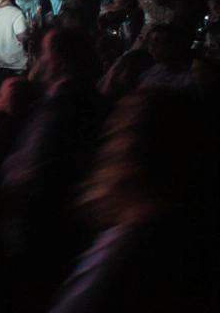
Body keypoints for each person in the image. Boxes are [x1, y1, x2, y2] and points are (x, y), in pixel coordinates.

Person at [50, 88, 219, 313]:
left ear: (132, 153)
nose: (105, 146)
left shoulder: (123, 257)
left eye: (116, 134)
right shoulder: (194, 240)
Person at [0, 27, 111, 313]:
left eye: (44, 54)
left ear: (59, 58)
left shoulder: (62, 106)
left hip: (41, 245)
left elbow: (29, 176)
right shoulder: (98, 102)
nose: (39, 61)